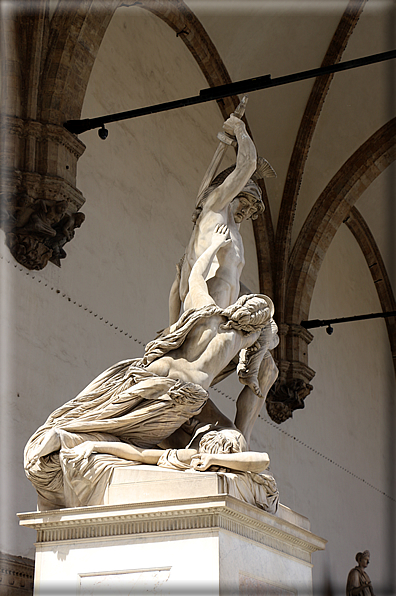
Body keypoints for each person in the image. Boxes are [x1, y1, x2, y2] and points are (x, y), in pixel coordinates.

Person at [24, 225, 275, 509]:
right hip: (180, 400)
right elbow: (259, 358)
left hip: (150, 376)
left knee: (102, 415)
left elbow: (192, 283)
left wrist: (212, 248)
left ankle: (65, 433)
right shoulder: (242, 338)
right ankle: (67, 436)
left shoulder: (208, 317)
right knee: (119, 428)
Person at [168, 113, 278, 446]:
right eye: (247, 202)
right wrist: (240, 131)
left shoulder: (236, 236)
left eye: (256, 210)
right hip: (209, 315)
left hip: (231, 315)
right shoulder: (214, 211)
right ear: (233, 192)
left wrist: (256, 308)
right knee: (193, 382)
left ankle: (241, 440)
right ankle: (186, 426)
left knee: (268, 369)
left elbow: (233, 280)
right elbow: (245, 166)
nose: (250, 212)